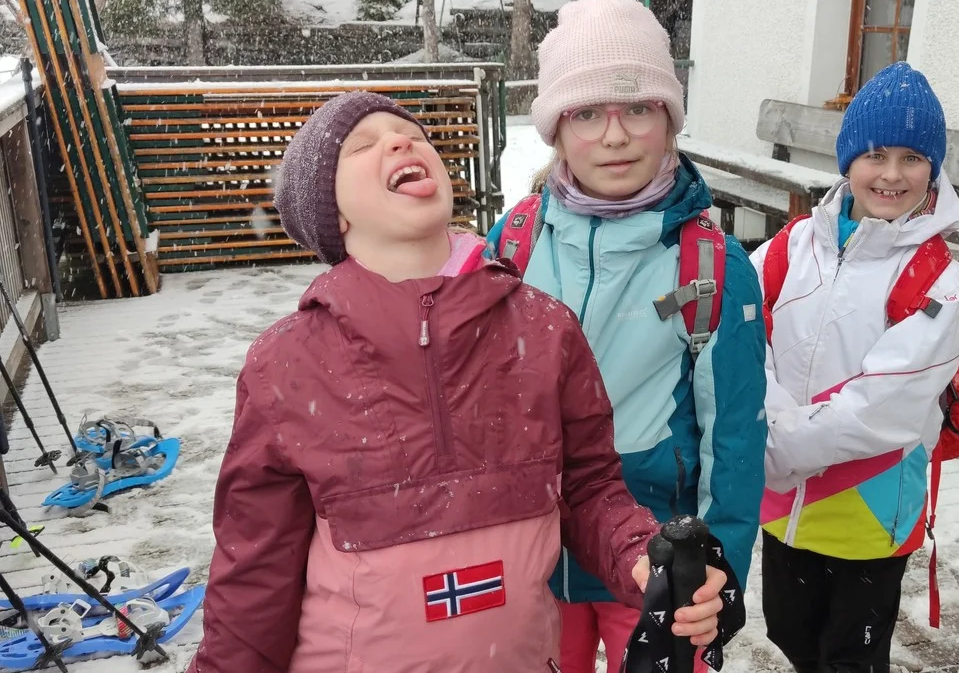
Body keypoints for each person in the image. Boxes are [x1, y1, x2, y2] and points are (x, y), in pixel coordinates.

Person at [185, 91, 727, 673]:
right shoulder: (286, 362)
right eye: (363, 146)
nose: (400, 141)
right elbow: (256, 568)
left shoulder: (545, 329)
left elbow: (590, 487)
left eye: (411, 135)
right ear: (332, 213)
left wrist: (639, 555)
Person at [486, 0, 767, 673]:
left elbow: (736, 437)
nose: (614, 136)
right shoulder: (513, 244)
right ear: (555, 128)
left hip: (655, 565)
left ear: (668, 119)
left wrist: (716, 570)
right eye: (586, 113)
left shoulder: (711, 268)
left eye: (638, 108)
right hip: (533, 559)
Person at [751, 62, 959, 672]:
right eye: (875, 154)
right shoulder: (791, 246)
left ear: (934, 168)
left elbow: (884, 407)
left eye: (911, 157)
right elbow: (743, 338)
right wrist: (769, 427)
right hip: (784, 507)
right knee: (791, 634)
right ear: (848, 161)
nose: (892, 174)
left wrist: (774, 445)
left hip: (871, 511)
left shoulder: (936, 279)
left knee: (850, 655)